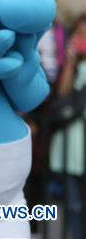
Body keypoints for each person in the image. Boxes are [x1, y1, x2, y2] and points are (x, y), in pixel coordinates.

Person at [49, 14, 86, 239]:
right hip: (71, 151)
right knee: (74, 207)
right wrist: (70, 63)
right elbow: (61, 98)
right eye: (80, 34)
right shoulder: (71, 67)